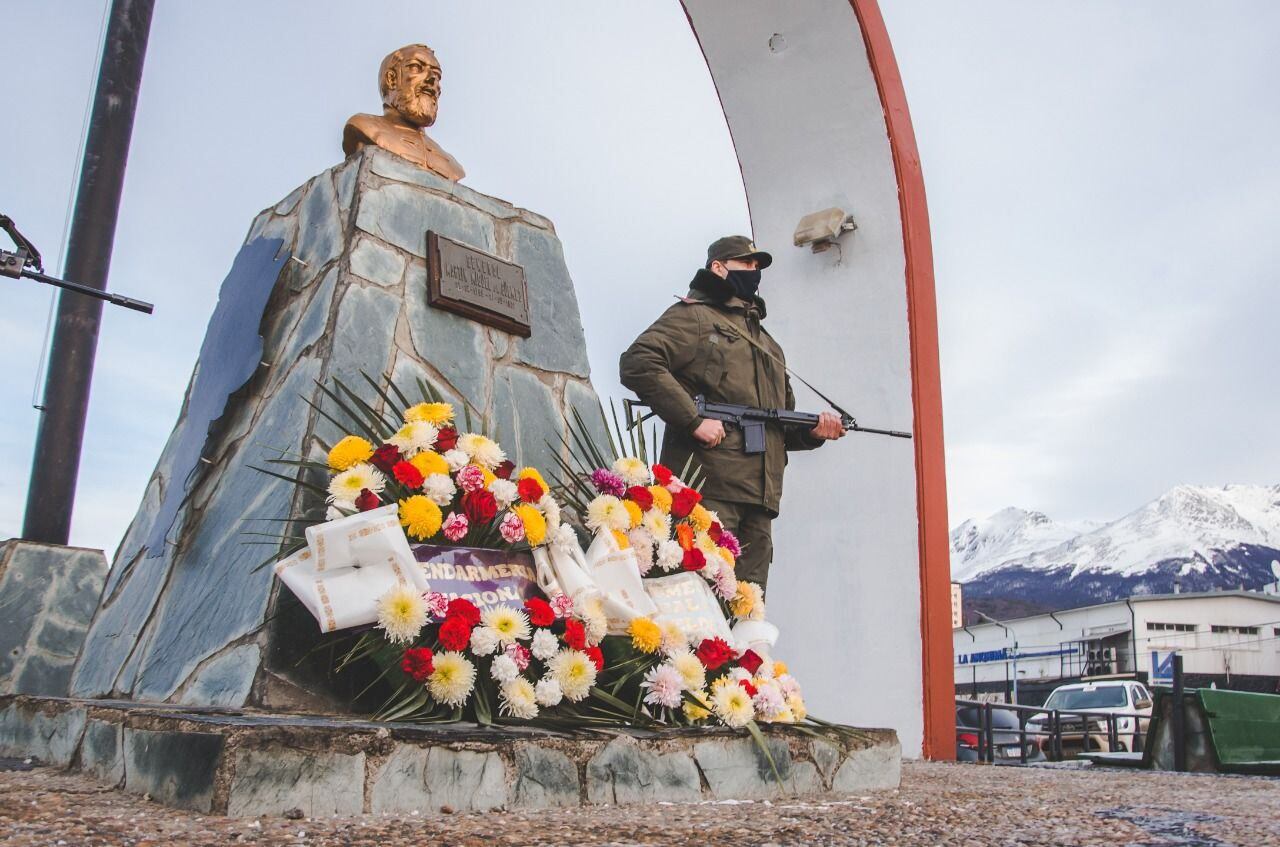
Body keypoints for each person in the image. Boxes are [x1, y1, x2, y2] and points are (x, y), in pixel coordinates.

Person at [619, 236, 844, 594]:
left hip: (761, 499)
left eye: (758, 267)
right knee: (697, 601)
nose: (754, 273)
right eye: (747, 264)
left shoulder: (768, 345)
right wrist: (694, 419)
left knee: (747, 611)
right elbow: (638, 362)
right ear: (718, 268)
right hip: (708, 488)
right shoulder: (694, 317)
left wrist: (815, 432)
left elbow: (779, 424)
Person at [343, 43, 466, 181]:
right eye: (416, 67)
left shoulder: (451, 164)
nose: (432, 79)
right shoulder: (364, 127)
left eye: (437, 75)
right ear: (391, 79)